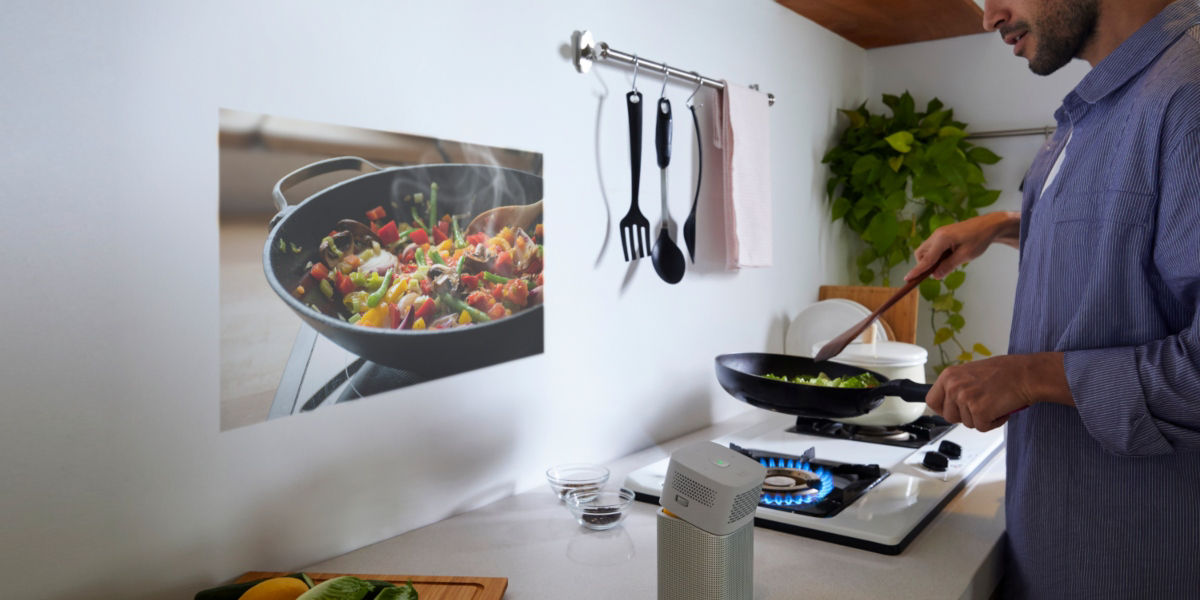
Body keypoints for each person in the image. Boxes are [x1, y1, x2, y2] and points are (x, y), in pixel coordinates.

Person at [903, 0, 1200, 597]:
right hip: (1053, 545)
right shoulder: (1098, 104)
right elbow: (1120, 235)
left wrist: (1029, 377)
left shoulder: (1188, 93)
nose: (989, 18)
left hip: (1131, 566)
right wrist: (1006, 225)